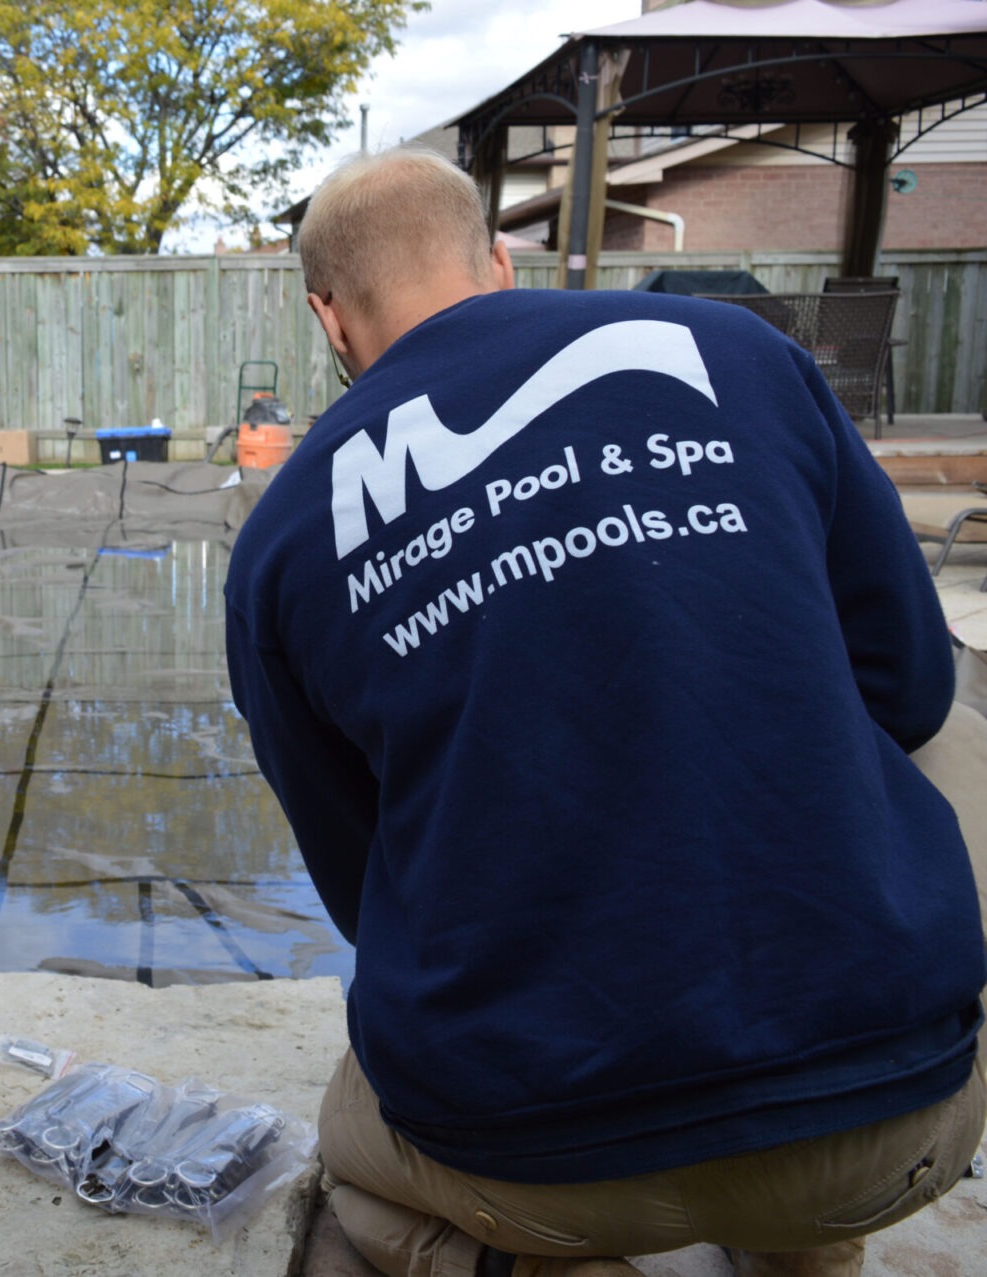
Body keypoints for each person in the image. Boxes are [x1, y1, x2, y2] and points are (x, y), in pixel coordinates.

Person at [222, 146, 987, 1277]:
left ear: (328, 319)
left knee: (353, 1162)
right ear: (496, 259)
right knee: (962, 728)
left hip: (540, 1163)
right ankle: (810, 1238)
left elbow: (360, 886)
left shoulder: (284, 538)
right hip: (907, 1119)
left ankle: (549, 1262)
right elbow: (912, 685)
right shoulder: (743, 355)